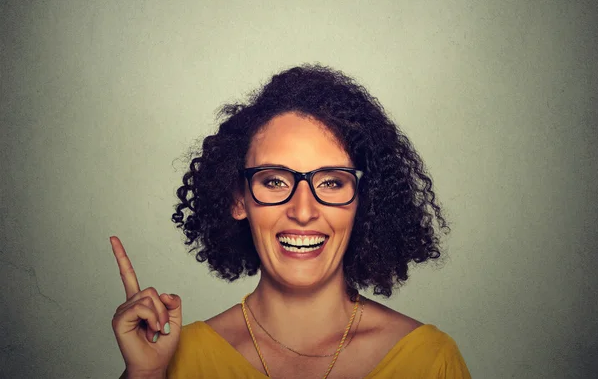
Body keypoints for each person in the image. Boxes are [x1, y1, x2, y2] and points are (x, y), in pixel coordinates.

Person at [111, 64, 471, 378]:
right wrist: (145, 374)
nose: (302, 211)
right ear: (239, 199)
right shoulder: (173, 361)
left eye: (331, 182)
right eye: (274, 181)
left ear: (363, 201)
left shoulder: (429, 361)